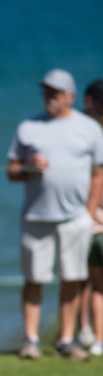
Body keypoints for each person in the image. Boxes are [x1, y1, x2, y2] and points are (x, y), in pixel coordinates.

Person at [7, 68, 103, 361]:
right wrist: (28, 168)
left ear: (71, 97)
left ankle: (65, 339)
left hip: (75, 219)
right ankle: (31, 339)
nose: (50, 96)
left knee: (72, 278)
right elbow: (12, 171)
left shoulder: (90, 128)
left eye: (57, 92)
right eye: (47, 90)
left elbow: (98, 173)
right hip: (37, 216)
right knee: (34, 279)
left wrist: (89, 212)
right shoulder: (28, 127)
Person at [83, 78, 103, 356]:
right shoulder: (88, 132)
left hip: (92, 218)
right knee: (92, 281)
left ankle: (93, 335)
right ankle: (93, 335)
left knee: (93, 281)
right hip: (91, 218)